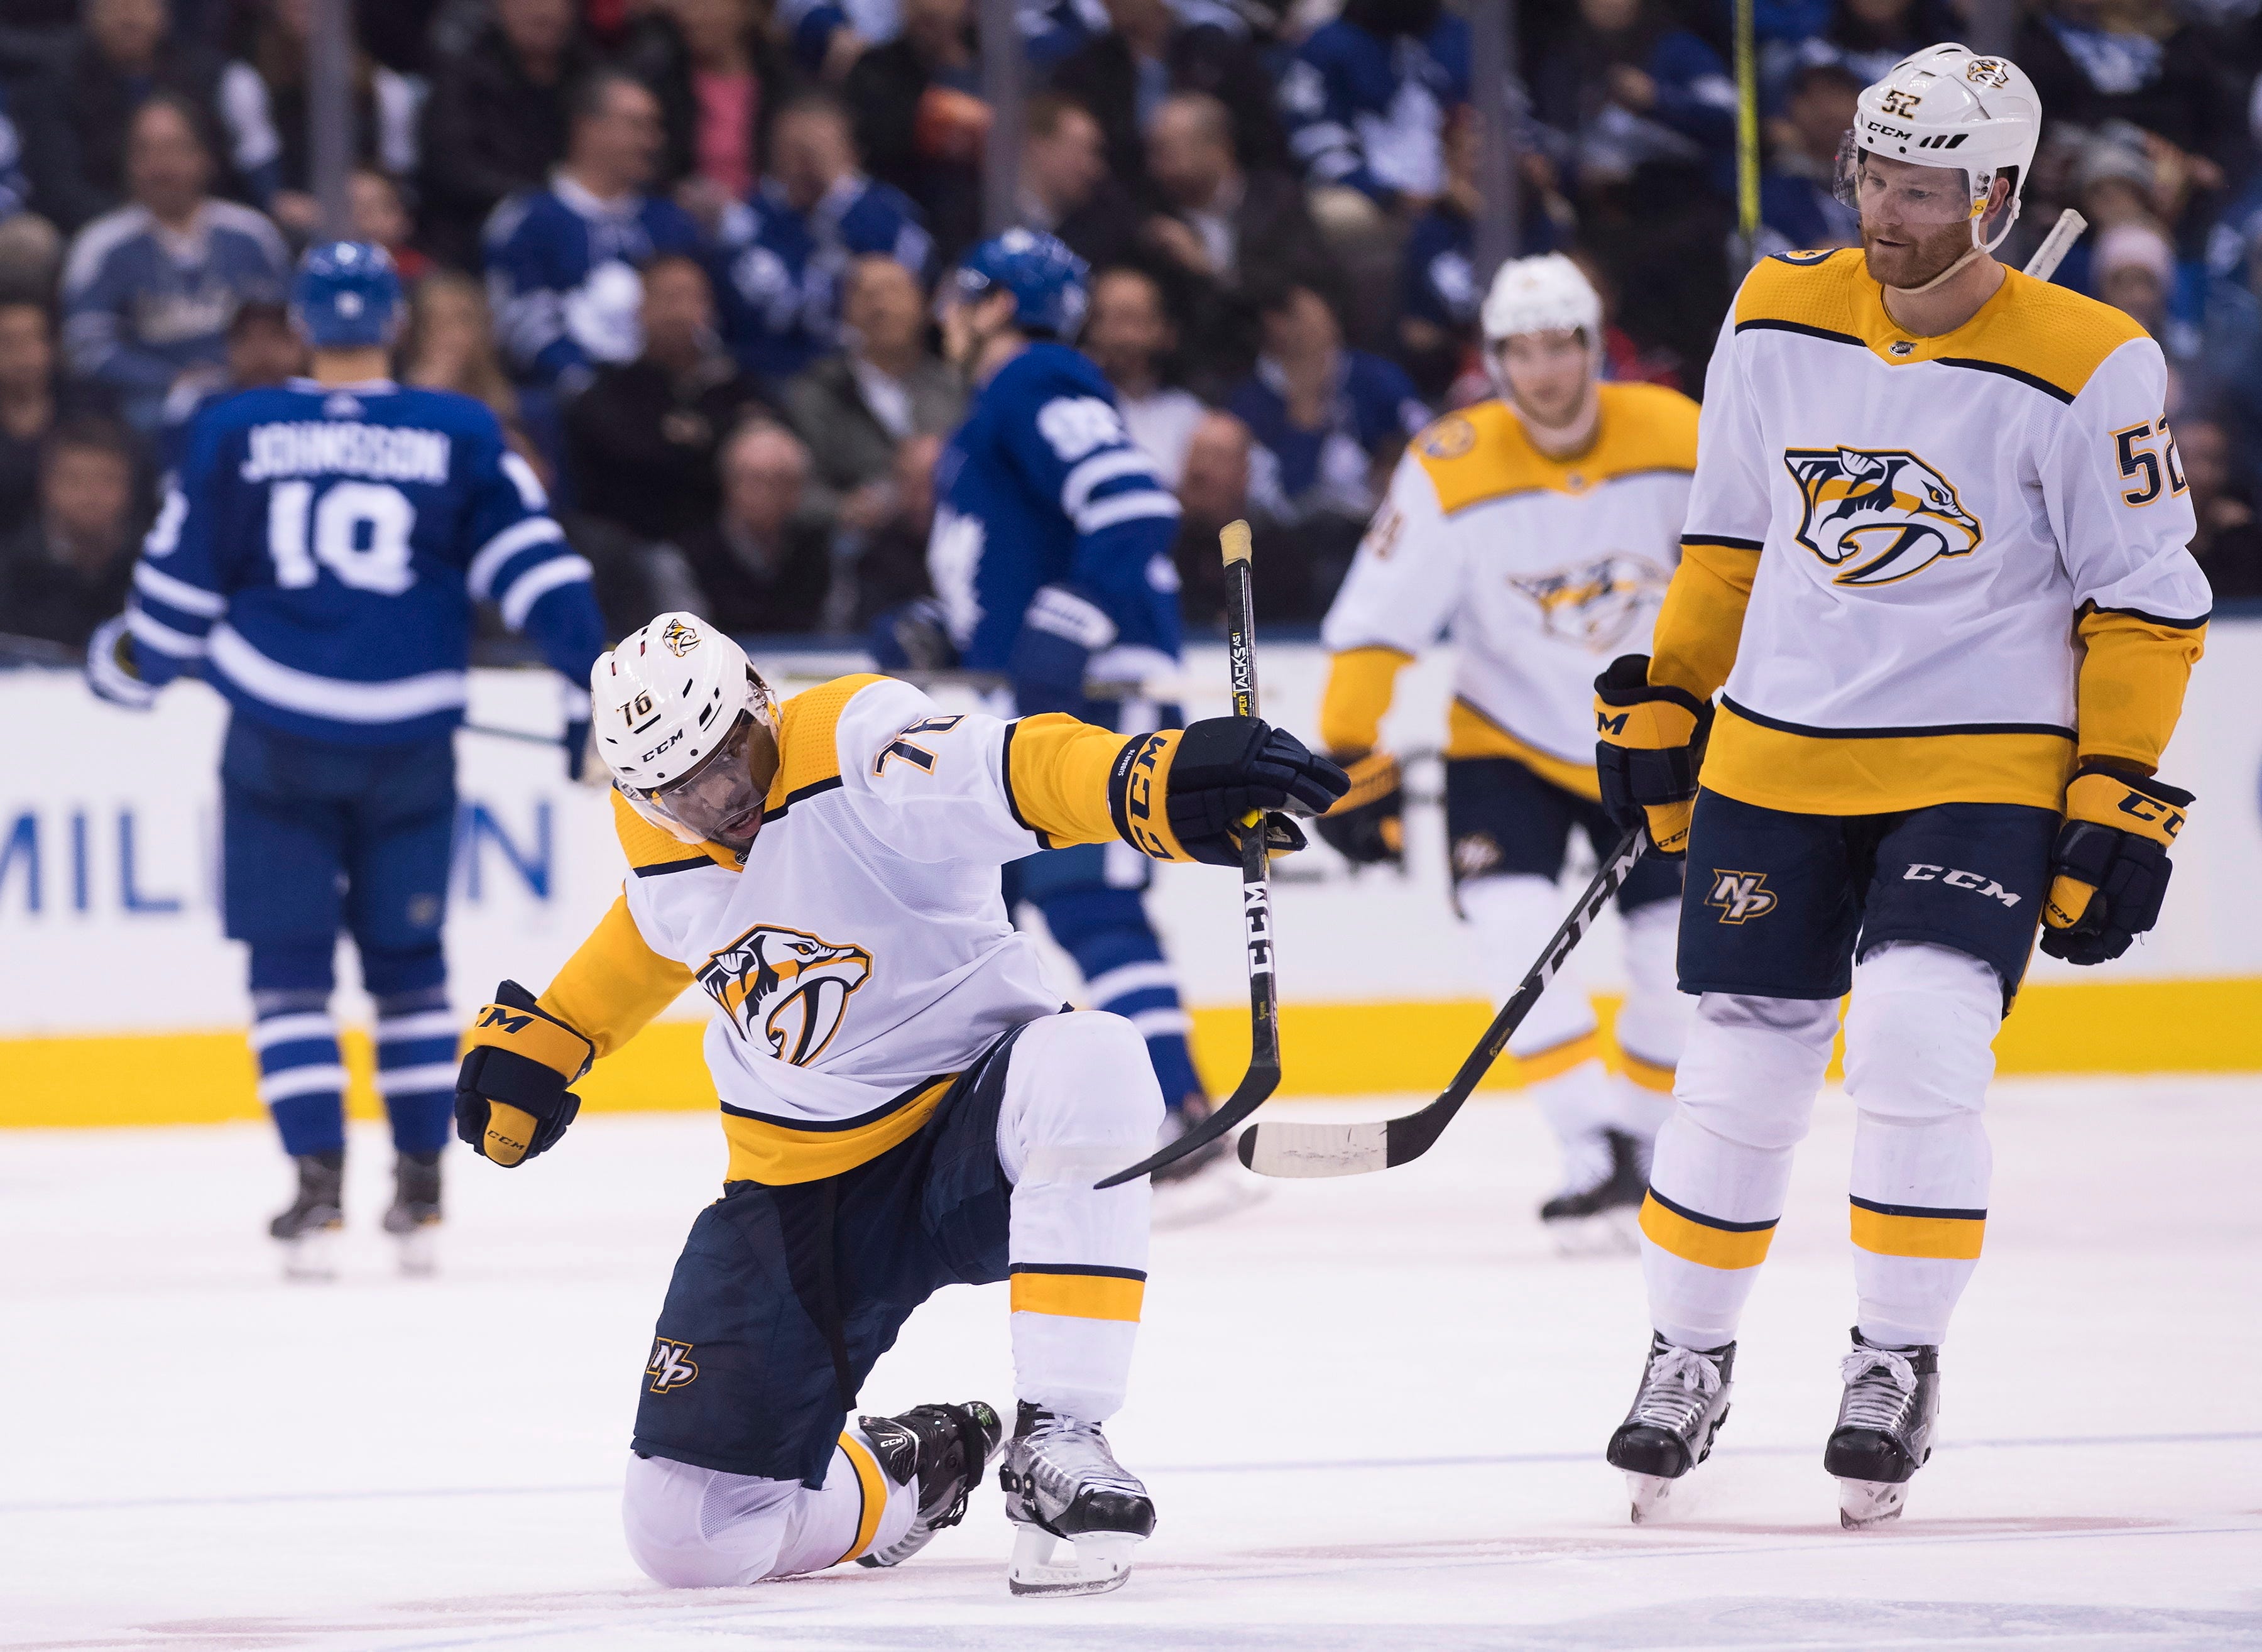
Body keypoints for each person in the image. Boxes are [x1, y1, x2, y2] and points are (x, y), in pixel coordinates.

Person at [1592, 45, 2210, 1529]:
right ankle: (1686, 1352)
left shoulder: (2092, 360)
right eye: (1872, 175)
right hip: (1779, 748)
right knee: (1734, 1067)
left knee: (1921, 1047)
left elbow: (2145, 596)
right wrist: (1673, 686)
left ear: (1994, 196)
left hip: (1979, 760)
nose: (1885, 211)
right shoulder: (1773, 309)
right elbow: (1730, 534)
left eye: (1923, 187)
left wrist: (2115, 787)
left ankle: (1894, 1354)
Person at [447, 612, 1345, 1594]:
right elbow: (656, 925)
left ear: (759, 703)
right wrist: (561, 1030)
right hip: (797, 1192)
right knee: (688, 1534)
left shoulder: (860, 741)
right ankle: (905, 1475)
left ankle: (1063, 1435)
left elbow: (1013, 771)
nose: (720, 803)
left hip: (976, 1132)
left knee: (1094, 1055)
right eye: (680, 792)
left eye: (730, 762)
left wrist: (1144, 779)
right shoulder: (659, 827)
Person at [84, 243, 608, 1279]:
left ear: (301, 326)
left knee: (288, 968)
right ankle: (421, 1178)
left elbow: (177, 598)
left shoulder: (233, 427)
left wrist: (127, 661)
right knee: (408, 970)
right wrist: (584, 694)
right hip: (409, 739)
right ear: (395, 325)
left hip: (275, 734)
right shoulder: (457, 427)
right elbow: (539, 568)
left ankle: (317, 1182)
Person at [1314, 254, 1695, 1245]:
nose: (1545, 372)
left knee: (1673, 955)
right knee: (1510, 923)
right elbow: (1376, 620)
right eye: (1520, 352)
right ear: (1493, 359)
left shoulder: (1679, 434)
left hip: (1658, 739)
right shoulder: (1449, 461)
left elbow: (1759, 572)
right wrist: (1351, 753)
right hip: (1507, 736)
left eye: (1561, 345)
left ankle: (1647, 1143)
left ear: (1592, 345)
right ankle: (1586, 1150)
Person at [921, 230, 1223, 1186]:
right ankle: (978, 1127)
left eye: (961, 295)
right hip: (1034, 694)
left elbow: (1132, 504)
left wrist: (1071, 619)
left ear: (1000, 305)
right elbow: (1014, 558)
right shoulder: (1000, 404)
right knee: (986, 903)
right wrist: (939, 628)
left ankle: (1179, 1106)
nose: (945, 315)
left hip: (1091, 688)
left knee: (1085, 894)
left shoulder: (1036, 375)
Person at [58, 94, 290, 435]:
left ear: (204, 157)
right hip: (146, 412)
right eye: (145, 151)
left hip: (250, 398)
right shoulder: (101, 246)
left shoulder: (253, 235)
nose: (160, 166)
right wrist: (170, 380)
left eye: (174, 149)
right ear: (129, 163)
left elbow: (291, 327)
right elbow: (85, 348)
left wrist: (241, 370)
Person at [484, 69, 708, 395]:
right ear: (587, 128)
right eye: (637, 126)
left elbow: (704, 320)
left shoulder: (672, 222)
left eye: (655, 128)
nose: (653, 141)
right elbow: (521, 323)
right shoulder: (527, 220)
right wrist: (591, 389)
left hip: (671, 396)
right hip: (567, 408)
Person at [716, 92, 932, 385]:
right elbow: (748, 314)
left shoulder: (889, 216)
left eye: (818, 149)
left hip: (870, 383)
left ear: (852, 153)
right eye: (793, 149)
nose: (805, 164)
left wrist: (835, 203)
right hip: (767, 381)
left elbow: (907, 306)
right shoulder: (748, 219)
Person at [565, 253, 771, 543]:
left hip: (729, 546)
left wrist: (699, 435)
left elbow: (770, 438)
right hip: (641, 545)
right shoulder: (610, 392)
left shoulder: (736, 384)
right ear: (640, 309)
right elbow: (636, 463)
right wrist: (720, 440)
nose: (680, 312)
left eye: (693, 298)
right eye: (667, 298)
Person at [780, 252, 962, 527]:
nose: (881, 306)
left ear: (923, 306)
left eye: (894, 291)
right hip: (854, 548)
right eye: (866, 295)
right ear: (846, 312)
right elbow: (796, 494)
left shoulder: (956, 389)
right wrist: (844, 509)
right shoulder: (817, 393)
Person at [417, 0, 594, 270]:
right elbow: (453, 168)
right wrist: (540, 200)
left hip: (580, 228)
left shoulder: (590, 77)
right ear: (502, 8)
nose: (547, 10)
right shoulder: (463, 75)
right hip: (475, 235)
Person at [664, 418, 835, 632]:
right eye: (755, 479)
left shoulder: (821, 553)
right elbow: (689, 644)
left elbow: (834, 642)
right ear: (728, 483)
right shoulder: (687, 557)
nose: (767, 493)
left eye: (781, 481)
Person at [0, 414, 141, 647]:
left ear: (129, 487)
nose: (91, 496)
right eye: (74, 481)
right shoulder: (10, 571)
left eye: (107, 481)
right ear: (47, 486)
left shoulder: (154, 571)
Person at [1080, 266, 1203, 489]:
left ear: (1166, 330)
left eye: (1135, 320)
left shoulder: (1189, 414)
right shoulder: (1073, 404)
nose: (1125, 337)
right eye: (1112, 320)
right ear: (1091, 327)